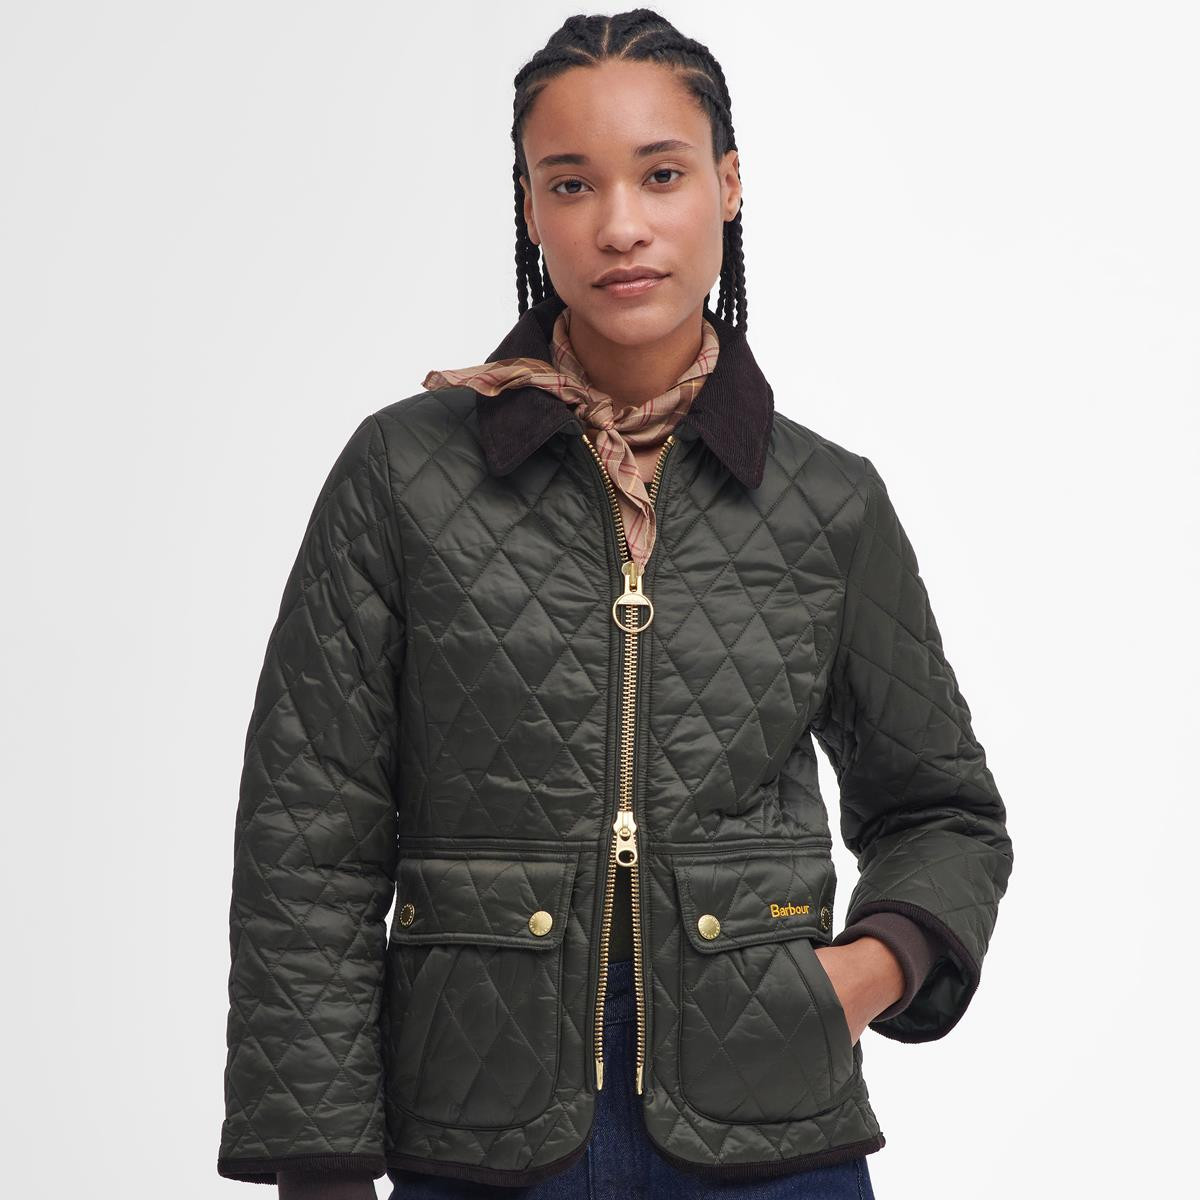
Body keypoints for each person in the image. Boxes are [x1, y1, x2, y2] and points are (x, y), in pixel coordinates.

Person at [217, 10, 1013, 1199]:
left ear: (728, 184)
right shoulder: (403, 475)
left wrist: (864, 974)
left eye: (662, 174)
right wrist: (318, 1171)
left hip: (770, 1125)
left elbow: (944, 808)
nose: (620, 224)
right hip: (478, 1134)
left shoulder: (829, 503)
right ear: (531, 209)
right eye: (572, 183)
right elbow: (308, 836)